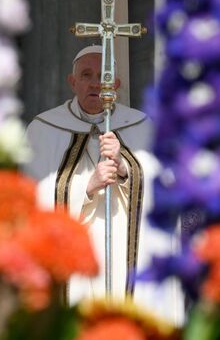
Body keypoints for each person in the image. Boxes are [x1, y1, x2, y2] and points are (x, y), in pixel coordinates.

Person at [23, 45, 183, 324]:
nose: (96, 82)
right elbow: (31, 198)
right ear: (72, 82)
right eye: (86, 75)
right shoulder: (43, 128)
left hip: (125, 245)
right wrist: (87, 186)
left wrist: (125, 167)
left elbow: (166, 190)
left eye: (104, 75)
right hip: (77, 247)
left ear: (117, 84)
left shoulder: (142, 125)